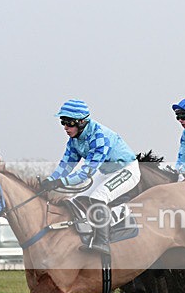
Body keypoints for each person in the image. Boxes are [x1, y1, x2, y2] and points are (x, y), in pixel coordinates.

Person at [40, 99, 140, 254]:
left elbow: (85, 174)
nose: (65, 127)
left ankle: (103, 242)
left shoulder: (100, 137)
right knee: (77, 200)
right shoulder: (74, 140)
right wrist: (50, 180)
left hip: (127, 170)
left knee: (98, 197)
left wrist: (60, 182)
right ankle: (86, 235)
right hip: (107, 172)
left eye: (69, 123)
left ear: (81, 122)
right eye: (63, 122)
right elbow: (66, 165)